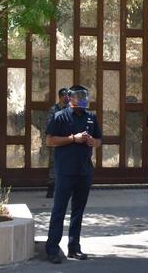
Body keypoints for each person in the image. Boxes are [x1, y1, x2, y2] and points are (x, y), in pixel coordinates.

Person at [44, 85, 102, 264]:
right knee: (59, 210)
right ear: (69, 98)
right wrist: (72, 139)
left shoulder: (91, 117)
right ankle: (52, 249)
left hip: (84, 171)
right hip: (65, 171)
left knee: (78, 211)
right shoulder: (59, 116)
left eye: (84, 95)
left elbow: (99, 140)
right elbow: (49, 140)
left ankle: (74, 248)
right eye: (78, 96)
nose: (82, 99)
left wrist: (93, 142)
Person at [45, 87, 69, 198]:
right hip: (56, 140)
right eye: (65, 96)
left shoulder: (71, 109)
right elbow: (49, 125)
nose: (67, 98)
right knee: (54, 164)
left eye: (68, 95)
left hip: (69, 141)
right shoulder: (54, 109)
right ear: (60, 97)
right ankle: (51, 188)